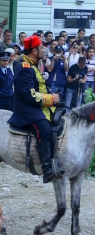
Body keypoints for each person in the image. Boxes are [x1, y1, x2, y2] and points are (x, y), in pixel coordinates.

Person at [7, 35, 64, 183]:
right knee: (44, 127)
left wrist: (54, 98)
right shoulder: (24, 67)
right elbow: (29, 95)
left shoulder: (33, 64)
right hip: (26, 110)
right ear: (34, 51)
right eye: (40, 48)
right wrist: (51, 99)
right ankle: (46, 169)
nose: (43, 51)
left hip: (35, 106)